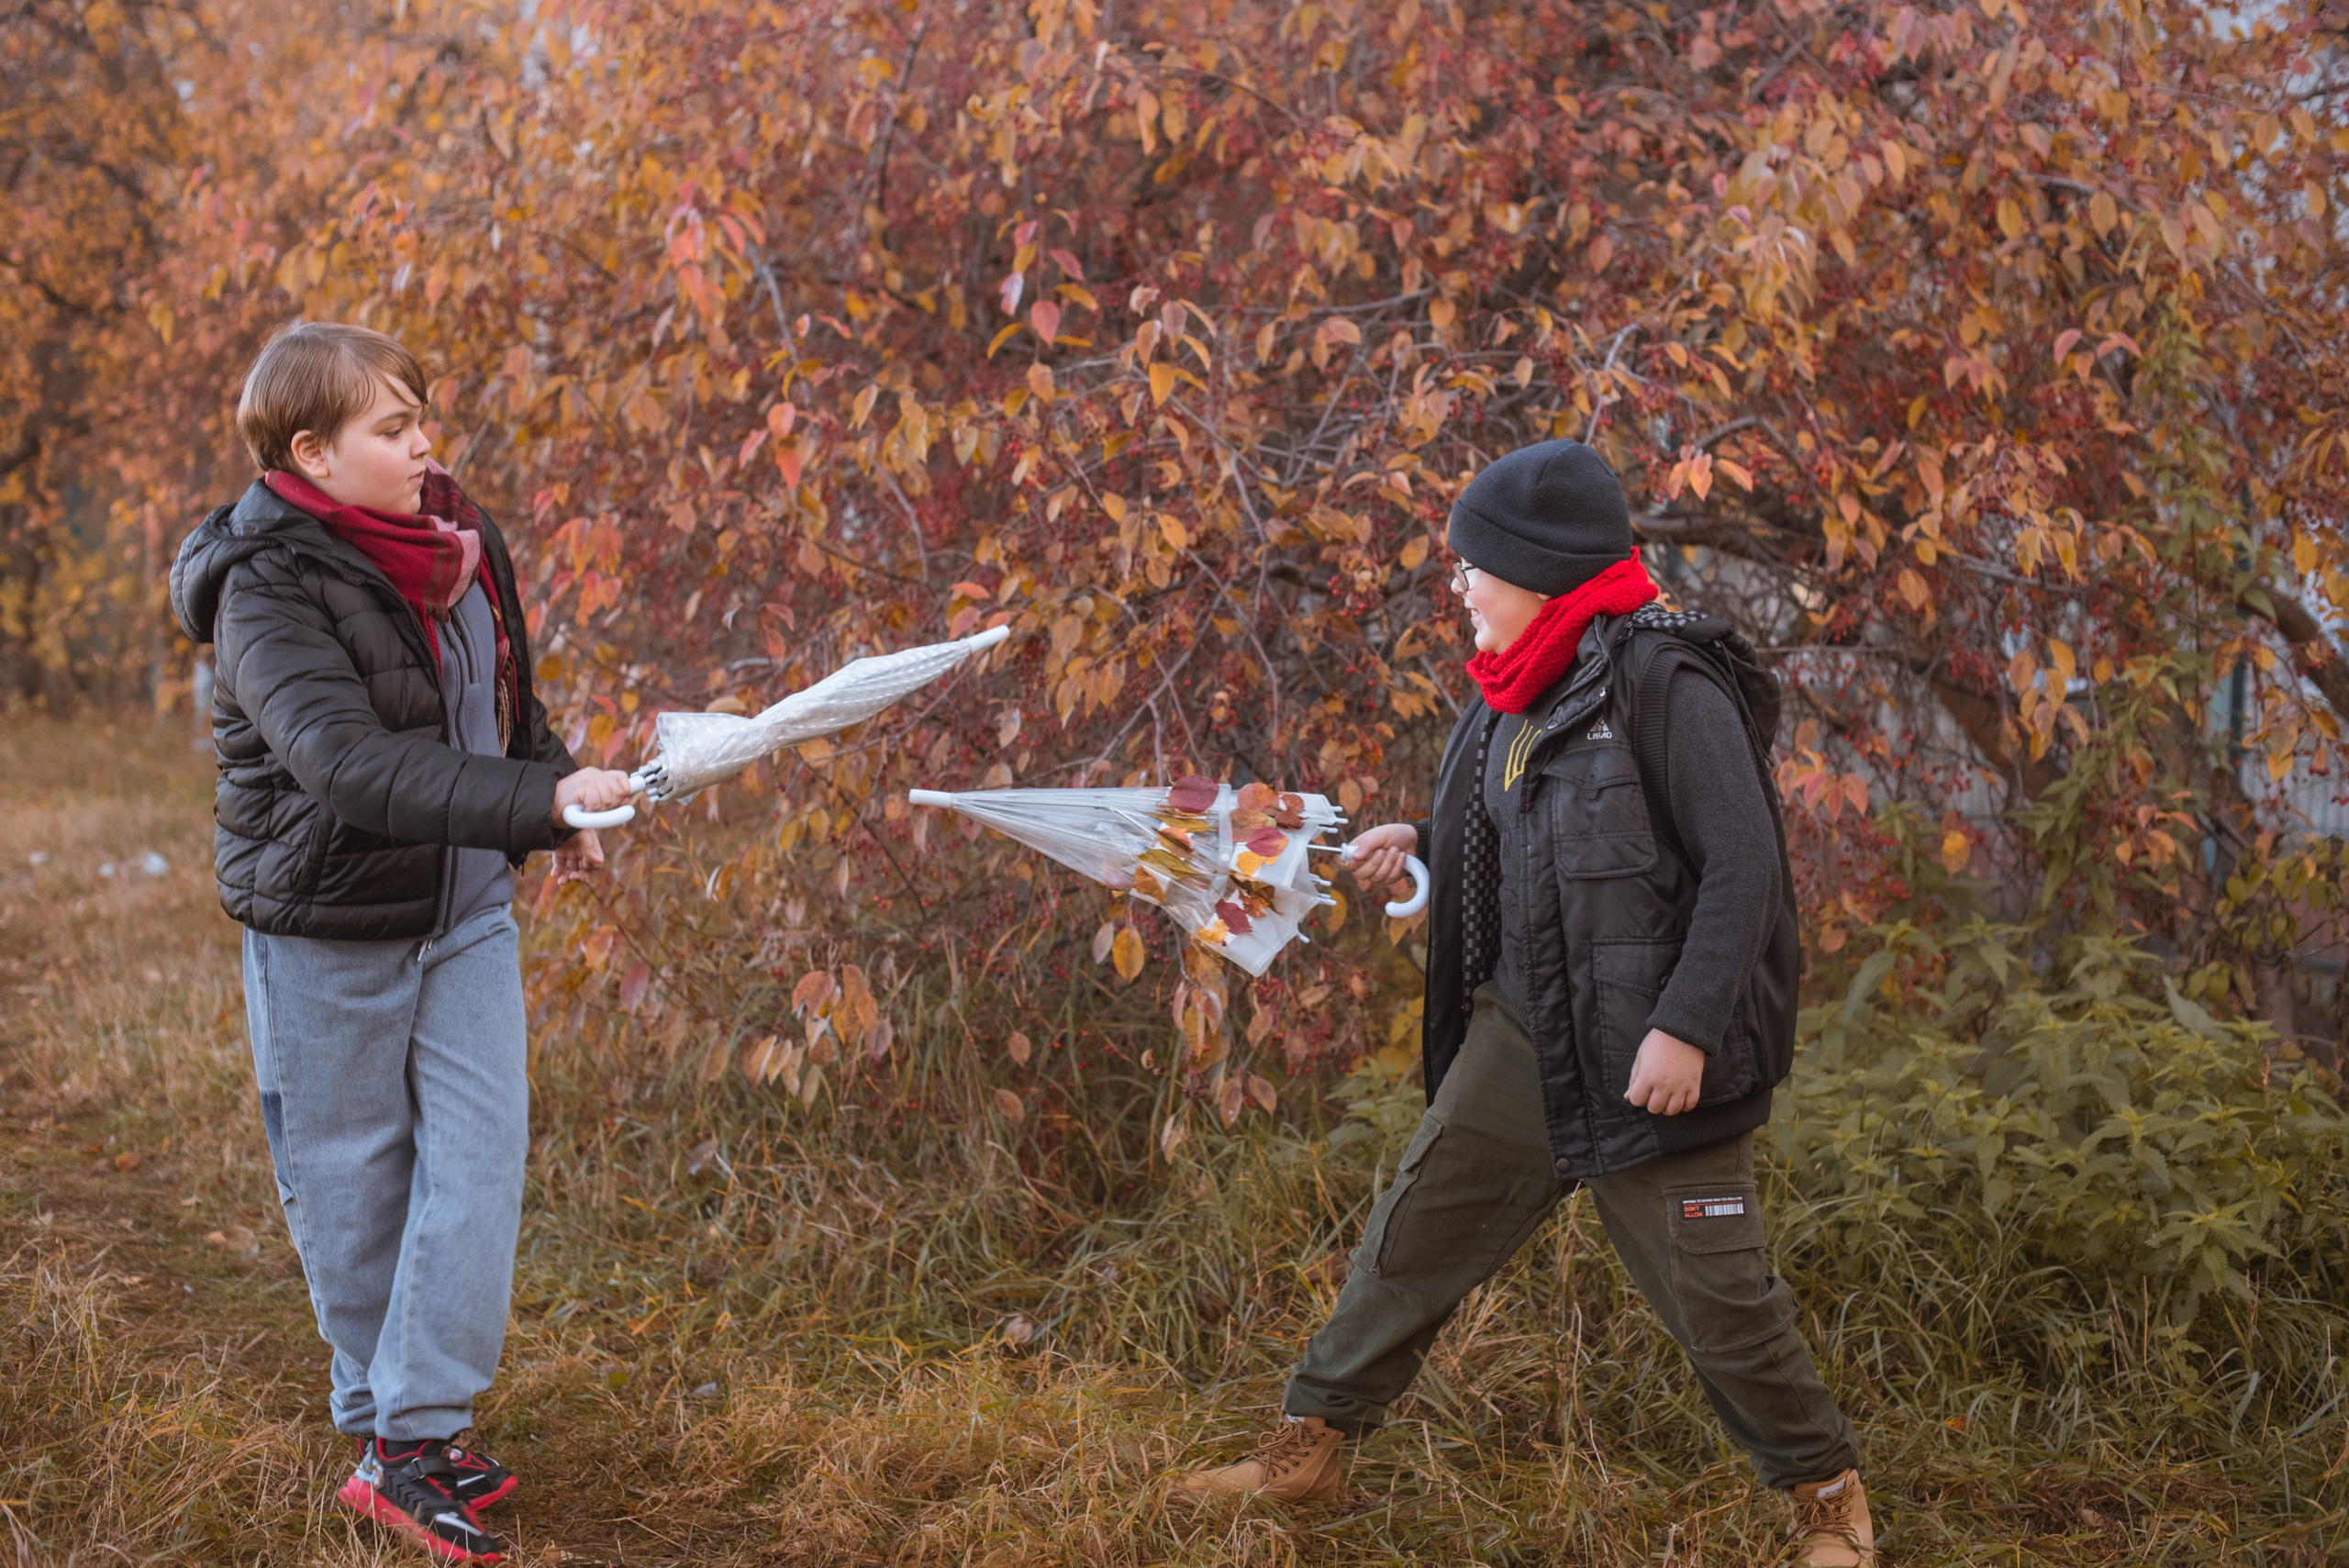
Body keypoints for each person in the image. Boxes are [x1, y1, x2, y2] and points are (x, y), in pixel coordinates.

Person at [1174, 439, 1871, 1565]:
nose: (1459, 586)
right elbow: (1538, 830)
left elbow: (1745, 866)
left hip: (1650, 1049)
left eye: (1474, 568)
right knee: (1409, 1237)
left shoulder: (1665, 683)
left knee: (1719, 1298)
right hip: (1525, 1028)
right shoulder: (1520, 683)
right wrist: (1424, 840)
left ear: (1540, 573)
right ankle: (1310, 1446)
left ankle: (1827, 1497)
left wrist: (1686, 1024)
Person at [171, 320, 634, 1564]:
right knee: (355, 1186)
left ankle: (413, 1431)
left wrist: (553, 798)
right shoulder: (267, 588)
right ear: (311, 454)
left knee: (479, 1166)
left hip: (468, 914)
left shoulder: (461, 543)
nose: (426, 443)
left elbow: (504, 705)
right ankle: (395, 1434)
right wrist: (534, 800)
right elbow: (350, 765)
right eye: (394, 426)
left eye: (422, 415)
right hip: (331, 930)